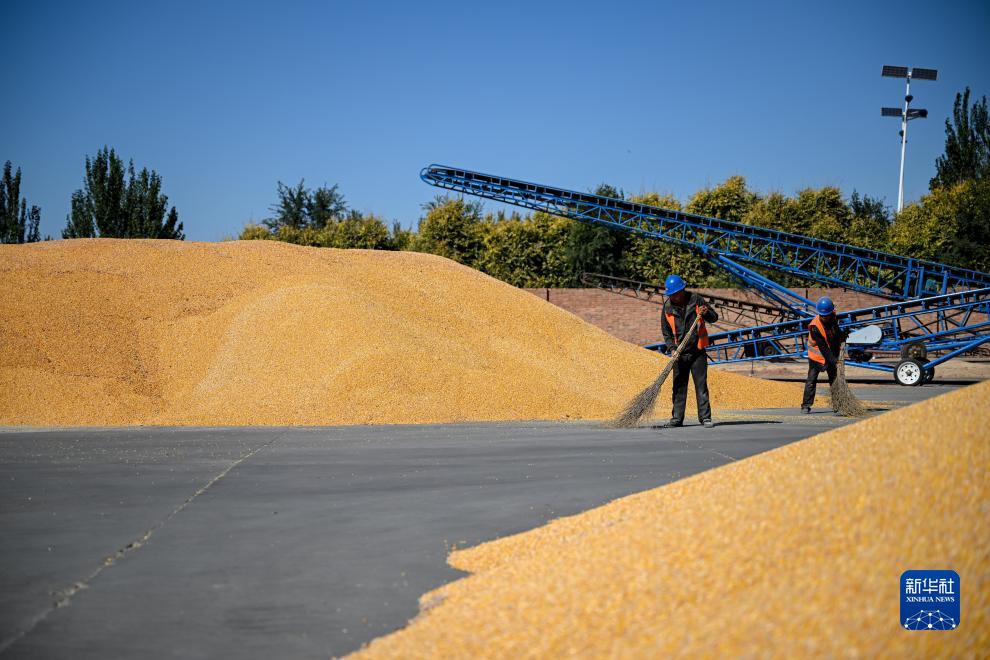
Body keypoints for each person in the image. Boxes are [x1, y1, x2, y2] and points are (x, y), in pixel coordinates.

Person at [660, 274, 719, 428]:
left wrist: (706, 312)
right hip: (679, 354)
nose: (673, 297)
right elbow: (666, 333)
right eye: (671, 295)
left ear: (682, 290)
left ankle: (705, 418)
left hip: (697, 350)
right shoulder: (667, 307)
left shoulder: (696, 300)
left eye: (675, 294)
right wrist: (672, 349)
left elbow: (714, 318)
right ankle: (677, 418)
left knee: (701, 386)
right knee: (679, 386)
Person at [802, 296, 849, 414]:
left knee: (834, 379)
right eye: (823, 316)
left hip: (831, 354)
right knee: (811, 380)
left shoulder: (833, 317)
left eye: (827, 315)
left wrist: (842, 335)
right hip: (816, 357)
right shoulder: (814, 327)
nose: (825, 318)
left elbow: (835, 331)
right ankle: (806, 405)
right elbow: (823, 347)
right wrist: (834, 360)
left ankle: (837, 404)